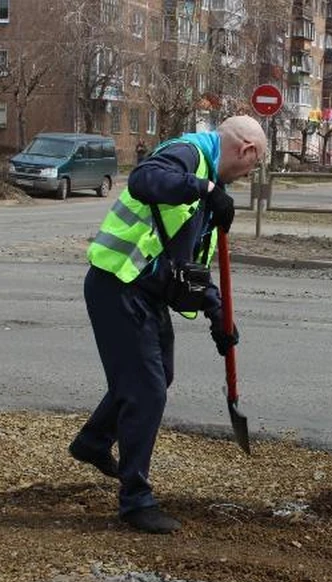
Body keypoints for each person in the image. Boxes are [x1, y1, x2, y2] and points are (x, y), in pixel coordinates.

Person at [70, 115, 266, 534]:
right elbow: (144, 179)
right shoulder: (189, 155)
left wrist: (219, 316)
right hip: (118, 282)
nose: (250, 174)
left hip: (144, 290)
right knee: (147, 389)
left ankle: (94, 442)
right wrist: (207, 189)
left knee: (158, 377)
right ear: (246, 150)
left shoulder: (215, 185)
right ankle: (135, 500)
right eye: (255, 165)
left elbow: (189, 267)